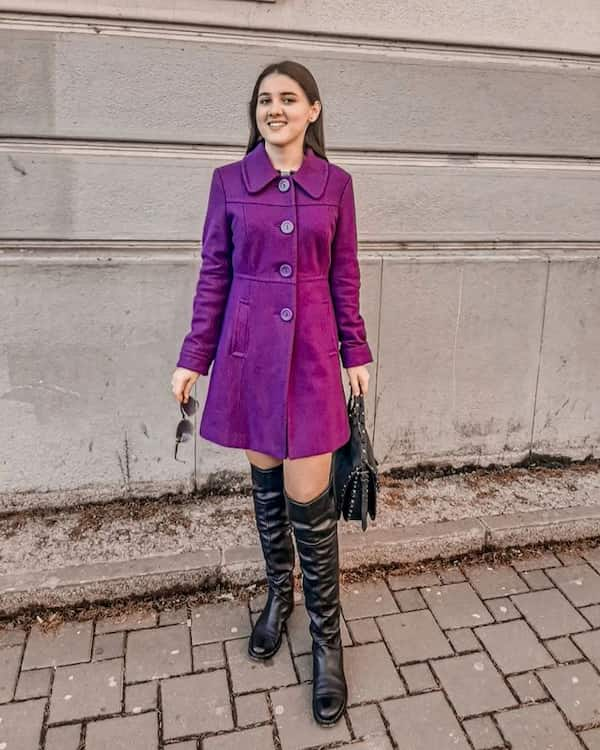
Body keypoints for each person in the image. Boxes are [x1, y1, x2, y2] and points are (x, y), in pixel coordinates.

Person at [171, 59, 372, 726]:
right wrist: (193, 358)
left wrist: (357, 352)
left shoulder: (336, 186)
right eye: (265, 99)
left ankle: (327, 642)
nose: (275, 108)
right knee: (265, 491)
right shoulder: (229, 182)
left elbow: (345, 276)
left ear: (313, 110)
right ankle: (277, 598)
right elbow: (213, 275)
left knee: (308, 501)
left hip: (314, 358)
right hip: (249, 357)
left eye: (289, 98)